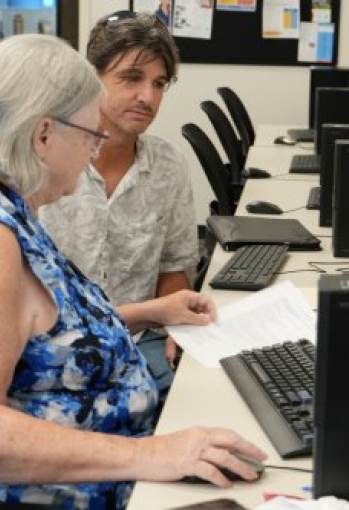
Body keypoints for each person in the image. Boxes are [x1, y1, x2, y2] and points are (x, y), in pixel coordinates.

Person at [0, 34, 266, 509]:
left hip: (127, 461)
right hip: (93, 486)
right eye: (89, 136)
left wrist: (152, 310)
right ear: (43, 136)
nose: (93, 153)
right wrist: (152, 452)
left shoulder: (20, 215)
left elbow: (50, 340)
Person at [39, 11, 199, 407]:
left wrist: (177, 322)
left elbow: (174, 267)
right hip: (57, 350)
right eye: (132, 78)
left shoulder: (169, 165)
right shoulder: (46, 168)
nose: (148, 96)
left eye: (159, 84)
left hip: (141, 345)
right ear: (91, 79)